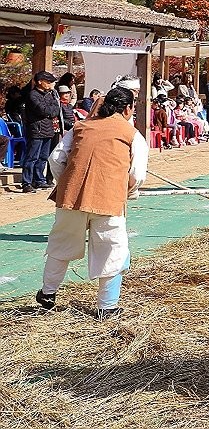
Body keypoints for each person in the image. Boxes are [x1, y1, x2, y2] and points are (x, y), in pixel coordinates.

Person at [36, 86, 148, 319]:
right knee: (111, 250)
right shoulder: (132, 133)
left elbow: (56, 158)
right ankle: (107, 306)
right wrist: (127, 191)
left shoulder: (80, 126)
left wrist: (68, 182)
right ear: (128, 109)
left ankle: (47, 294)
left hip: (70, 198)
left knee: (61, 245)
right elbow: (138, 174)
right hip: (108, 201)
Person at [22, 71, 61, 193]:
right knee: (32, 157)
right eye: (48, 82)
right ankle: (26, 182)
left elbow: (56, 109)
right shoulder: (32, 95)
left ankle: (39, 180)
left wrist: (51, 110)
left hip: (48, 129)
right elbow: (43, 110)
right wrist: (50, 111)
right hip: (36, 129)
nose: (50, 85)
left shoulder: (50, 95)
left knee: (43, 157)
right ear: (40, 82)